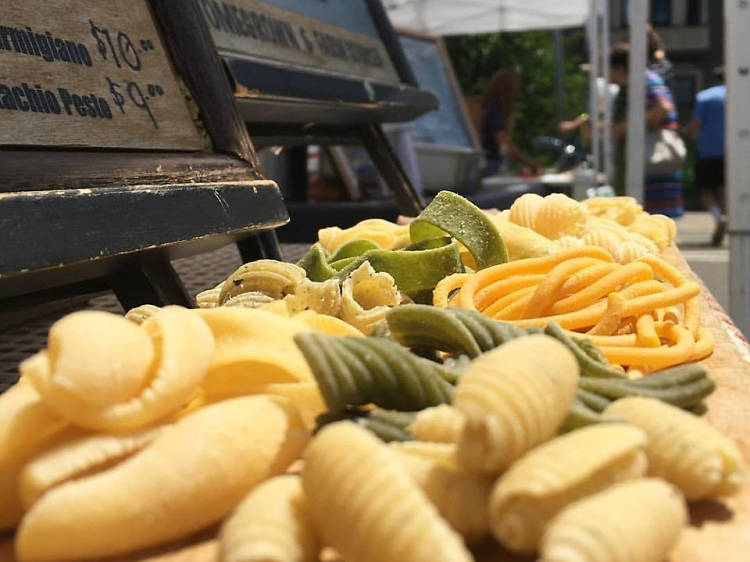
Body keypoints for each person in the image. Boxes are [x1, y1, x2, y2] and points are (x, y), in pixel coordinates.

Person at [610, 43, 684, 217]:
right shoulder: (636, 83)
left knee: (654, 217)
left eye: (609, 69)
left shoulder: (645, 81)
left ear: (620, 68)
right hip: (647, 158)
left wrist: (628, 126)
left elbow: (663, 106)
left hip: (651, 156)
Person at [685, 66, 727, 246]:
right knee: (724, 188)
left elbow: (695, 125)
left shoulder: (706, 97)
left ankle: (718, 217)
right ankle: (727, 217)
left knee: (705, 189)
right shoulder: (742, 94)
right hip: (734, 152)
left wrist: (688, 135)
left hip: (708, 151)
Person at [479, 69, 542, 177]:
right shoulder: (494, 111)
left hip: (492, 162)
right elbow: (504, 146)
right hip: (491, 164)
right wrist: (528, 162)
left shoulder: (491, 109)